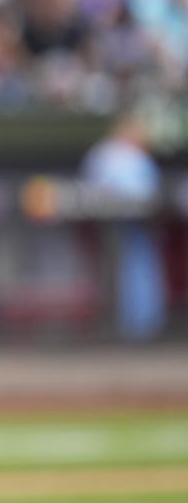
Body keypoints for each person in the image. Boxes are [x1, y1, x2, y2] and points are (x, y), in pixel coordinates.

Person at [81, 110, 165, 339]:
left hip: (138, 223)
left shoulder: (138, 156)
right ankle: (127, 324)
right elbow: (94, 188)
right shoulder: (106, 153)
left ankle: (142, 324)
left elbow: (150, 194)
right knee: (121, 266)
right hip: (111, 223)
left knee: (139, 263)